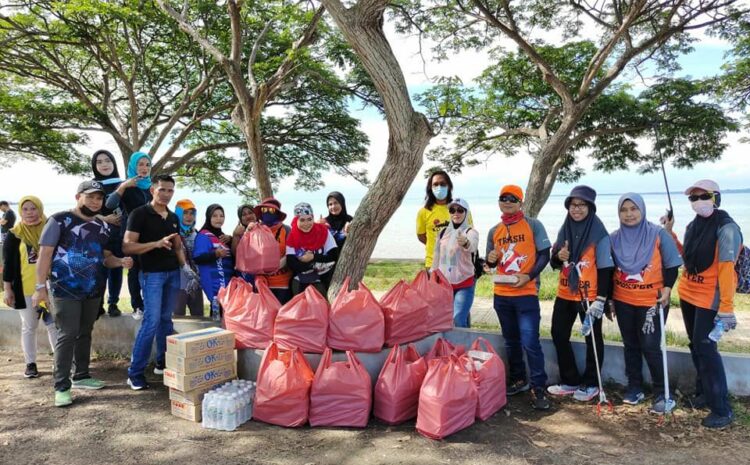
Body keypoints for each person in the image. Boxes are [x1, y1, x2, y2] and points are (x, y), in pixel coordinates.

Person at [32, 181, 133, 407]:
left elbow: (106, 257)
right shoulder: (59, 220)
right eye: (91, 197)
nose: (96, 202)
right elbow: (45, 255)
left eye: (99, 198)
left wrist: (120, 262)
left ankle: (82, 375)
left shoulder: (103, 226)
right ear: (78, 196)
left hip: (94, 290)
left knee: (85, 332)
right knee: (67, 334)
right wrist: (40, 288)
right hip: (64, 290)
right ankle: (61, 387)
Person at [664, 180, 743, 428]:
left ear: (716, 197)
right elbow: (685, 257)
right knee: (695, 345)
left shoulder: (727, 228)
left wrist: (727, 307)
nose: (698, 201)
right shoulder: (693, 225)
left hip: (710, 298)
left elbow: (727, 269)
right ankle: (704, 394)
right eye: (693, 198)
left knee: (706, 348)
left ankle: (721, 408)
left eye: (703, 196)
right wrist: (670, 234)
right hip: (688, 293)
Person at [124, 174, 198, 390]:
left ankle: (161, 363)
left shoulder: (173, 217)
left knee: (166, 320)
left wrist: (185, 267)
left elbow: (176, 246)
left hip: (173, 274)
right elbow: (127, 246)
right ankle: (135, 373)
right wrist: (155, 244)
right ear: (152, 190)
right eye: (162, 190)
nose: (166, 194)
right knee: (151, 322)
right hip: (151, 275)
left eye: (170, 191)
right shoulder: (139, 214)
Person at [611, 193, 682, 412]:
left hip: (653, 301)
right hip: (623, 300)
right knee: (630, 344)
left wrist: (668, 289)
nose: (629, 214)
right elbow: (608, 269)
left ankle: (662, 392)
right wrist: (609, 299)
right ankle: (635, 387)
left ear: (642, 210)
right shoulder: (613, 238)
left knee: (651, 346)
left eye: (634, 209)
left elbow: (671, 265)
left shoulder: (658, 234)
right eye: (624, 210)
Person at [485, 185, 552, 410]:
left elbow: (545, 255)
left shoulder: (533, 225)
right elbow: (489, 264)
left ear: (520, 202)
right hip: (501, 294)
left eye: (513, 198)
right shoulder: (494, 230)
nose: (508, 201)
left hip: (525, 294)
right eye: (503, 197)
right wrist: (492, 259)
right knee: (511, 341)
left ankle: (539, 387)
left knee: (530, 341)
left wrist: (529, 275)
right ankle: (518, 379)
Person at [547, 185, 614, 402]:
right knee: (558, 334)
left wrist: (601, 299)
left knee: (593, 339)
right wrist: (559, 255)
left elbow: (605, 268)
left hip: (589, 295)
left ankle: (592, 383)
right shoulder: (564, 229)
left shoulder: (599, 234)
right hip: (565, 292)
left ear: (590, 207)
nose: (576, 209)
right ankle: (570, 380)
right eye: (573, 205)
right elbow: (554, 262)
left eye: (582, 205)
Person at [2, 196, 59, 378]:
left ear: (40, 209)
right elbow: (9, 264)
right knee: (29, 326)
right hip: (25, 289)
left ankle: (60, 362)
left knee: (54, 325)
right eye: (25, 209)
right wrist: (8, 289)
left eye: (33, 208)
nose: (30, 213)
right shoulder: (14, 233)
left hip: (52, 287)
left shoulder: (51, 229)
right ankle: (30, 364)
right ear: (20, 212)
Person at [105, 151, 153, 319]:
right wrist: (124, 186)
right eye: (140, 164)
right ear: (133, 166)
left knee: (149, 270)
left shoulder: (151, 186)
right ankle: (137, 306)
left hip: (149, 233)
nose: (144, 168)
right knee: (133, 269)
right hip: (130, 233)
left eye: (147, 164)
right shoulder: (127, 185)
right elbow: (110, 204)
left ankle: (149, 305)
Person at [430, 198, 478, 328]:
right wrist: (432, 274)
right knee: (446, 319)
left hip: (464, 283)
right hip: (445, 284)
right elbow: (437, 255)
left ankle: (462, 347)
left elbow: (472, 246)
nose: (456, 213)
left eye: (460, 210)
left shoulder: (471, 232)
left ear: (466, 213)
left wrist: (465, 243)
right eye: (452, 210)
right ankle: (465, 344)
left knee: (457, 320)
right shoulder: (442, 232)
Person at [92, 150, 125, 317]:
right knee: (100, 269)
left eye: (108, 160)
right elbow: (84, 211)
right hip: (99, 236)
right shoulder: (92, 185)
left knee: (117, 270)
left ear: (114, 162)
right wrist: (105, 218)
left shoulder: (123, 183)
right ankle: (97, 304)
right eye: (99, 162)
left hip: (120, 236)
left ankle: (113, 303)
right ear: (94, 166)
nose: (104, 164)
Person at [286, 202, 338, 296]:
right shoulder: (292, 236)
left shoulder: (323, 231)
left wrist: (313, 257)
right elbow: (292, 264)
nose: (306, 223)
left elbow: (334, 255)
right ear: (296, 220)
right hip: (300, 282)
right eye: (302, 220)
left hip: (325, 279)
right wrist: (313, 264)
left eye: (309, 219)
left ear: (313, 218)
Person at [193, 204, 234, 308]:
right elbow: (198, 258)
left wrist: (232, 240)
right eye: (215, 216)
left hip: (228, 287)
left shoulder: (224, 237)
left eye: (221, 216)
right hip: (214, 286)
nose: (219, 219)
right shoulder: (203, 235)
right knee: (216, 319)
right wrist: (215, 254)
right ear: (208, 217)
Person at [252, 198, 292, 304]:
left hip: (283, 282)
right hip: (262, 283)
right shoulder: (256, 230)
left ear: (277, 213)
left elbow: (291, 252)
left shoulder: (286, 230)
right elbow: (250, 253)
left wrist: (277, 265)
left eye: (272, 210)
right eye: (264, 210)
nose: (267, 213)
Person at [416, 170, 453, 269]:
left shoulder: (459, 209)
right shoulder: (423, 212)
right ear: (430, 188)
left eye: (442, 184)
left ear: (449, 186)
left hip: (455, 264)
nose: (439, 187)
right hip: (432, 263)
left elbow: (468, 233)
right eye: (435, 184)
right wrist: (436, 245)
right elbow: (421, 236)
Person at [173, 199, 204, 317]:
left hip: (196, 284)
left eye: (192, 213)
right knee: (177, 318)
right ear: (178, 214)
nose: (189, 216)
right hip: (177, 284)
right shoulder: (171, 233)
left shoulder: (198, 234)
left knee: (198, 317)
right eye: (185, 213)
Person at [231, 204, 256, 284]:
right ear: (240, 219)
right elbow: (235, 254)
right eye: (244, 215)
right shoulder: (238, 233)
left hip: (264, 276)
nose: (248, 216)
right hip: (245, 277)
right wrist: (235, 236)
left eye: (250, 212)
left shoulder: (264, 229)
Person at [0, 200, 17, 266]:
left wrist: (1, 221)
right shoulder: (6, 213)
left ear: (3, 205)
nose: (0, 210)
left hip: (7, 233)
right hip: (6, 233)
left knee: (7, 249)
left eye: (0, 207)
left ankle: (7, 264)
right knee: (5, 249)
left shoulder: (9, 212)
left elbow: (3, 222)